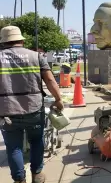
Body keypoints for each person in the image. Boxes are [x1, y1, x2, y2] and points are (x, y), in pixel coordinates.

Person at [0, 26, 64, 183]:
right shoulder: (36, 56)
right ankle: (37, 175)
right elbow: (49, 80)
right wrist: (58, 99)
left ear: (3, 42)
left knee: (14, 147)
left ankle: (19, 179)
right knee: (36, 141)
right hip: (33, 109)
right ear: (21, 40)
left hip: (7, 111)